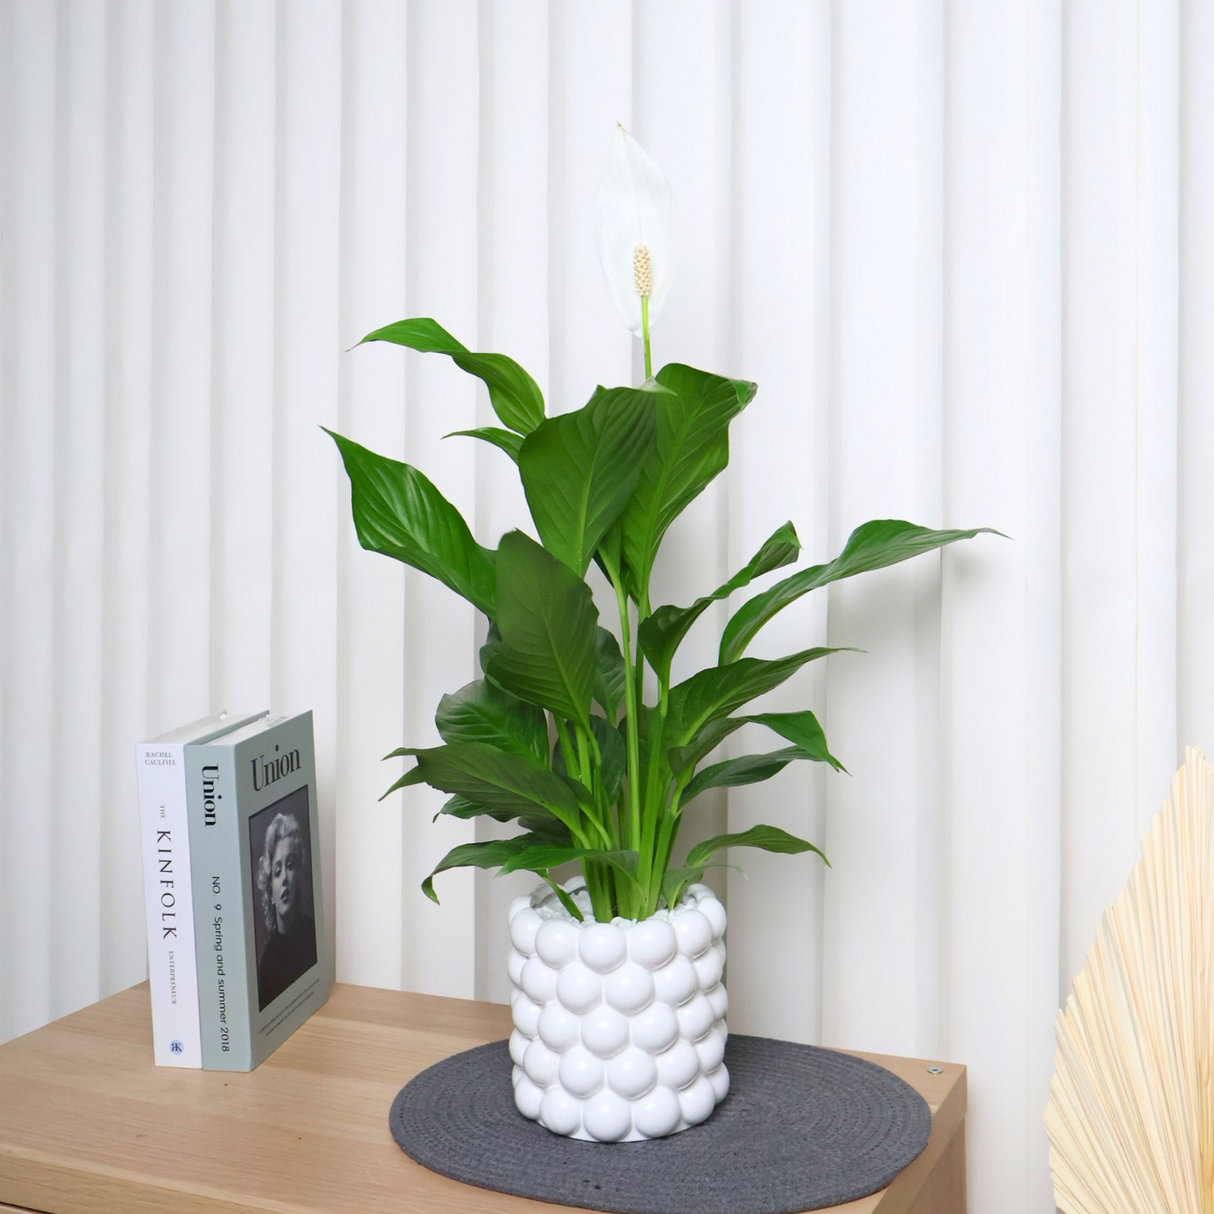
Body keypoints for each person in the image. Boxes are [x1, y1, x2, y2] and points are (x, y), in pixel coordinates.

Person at [255, 811, 317, 1009]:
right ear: (270, 893)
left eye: (290, 866)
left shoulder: (313, 935)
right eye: (277, 871)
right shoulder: (267, 964)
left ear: (298, 876)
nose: (283, 880)